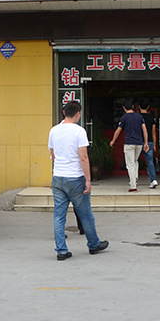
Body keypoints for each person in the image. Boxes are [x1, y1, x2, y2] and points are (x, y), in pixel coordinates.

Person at [48, 101, 109, 261]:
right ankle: (94, 245)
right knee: (85, 215)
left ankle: (61, 251)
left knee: (59, 216)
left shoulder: (53, 130)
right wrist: (88, 180)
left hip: (58, 177)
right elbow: (83, 157)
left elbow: (53, 155)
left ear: (64, 112)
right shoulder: (79, 131)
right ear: (77, 114)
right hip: (75, 178)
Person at [109, 98, 148, 192]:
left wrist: (113, 141)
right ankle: (135, 178)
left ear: (124, 108)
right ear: (133, 106)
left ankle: (133, 186)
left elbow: (118, 131)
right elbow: (144, 129)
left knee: (130, 164)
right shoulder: (139, 117)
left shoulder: (124, 118)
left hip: (129, 143)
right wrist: (146, 142)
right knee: (135, 161)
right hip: (139, 143)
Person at [138, 98, 159, 189]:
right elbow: (153, 132)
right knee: (150, 162)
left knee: (135, 162)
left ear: (139, 107)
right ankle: (153, 180)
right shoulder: (151, 118)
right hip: (149, 142)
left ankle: (134, 180)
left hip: (138, 142)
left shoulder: (137, 117)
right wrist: (154, 144)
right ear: (148, 107)